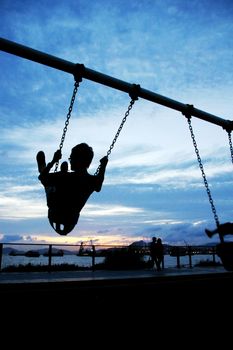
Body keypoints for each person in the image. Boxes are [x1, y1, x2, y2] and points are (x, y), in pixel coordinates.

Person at [37, 142, 108, 235]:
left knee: (49, 181)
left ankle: (43, 168)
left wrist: (54, 160)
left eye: (71, 158)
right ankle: (45, 172)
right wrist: (103, 166)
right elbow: (99, 185)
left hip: (55, 215)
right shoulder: (91, 181)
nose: (70, 161)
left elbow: (42, 178)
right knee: (54, 181)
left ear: (79, 160)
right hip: (70, 221)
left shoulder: (65, 177)